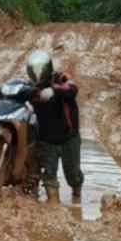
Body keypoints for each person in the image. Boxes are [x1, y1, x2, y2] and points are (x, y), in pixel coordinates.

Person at [26, 50, 84, 204]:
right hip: (46, 140)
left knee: (73, 175)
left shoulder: (60, 78)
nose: (38, 74)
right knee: (49, 175)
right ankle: (54, 206)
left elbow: (72, 88)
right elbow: (18, 93)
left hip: (68, 137)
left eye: (41, 70)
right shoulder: (31, 88)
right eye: (34, 71)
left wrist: (54, 90)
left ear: (48, 69)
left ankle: (77, 196)